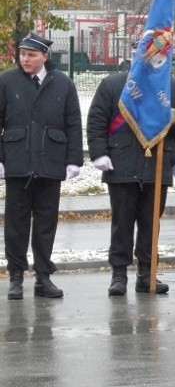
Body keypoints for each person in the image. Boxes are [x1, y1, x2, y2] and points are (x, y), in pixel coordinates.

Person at [87, 66, 175, 295]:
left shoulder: (174, 87)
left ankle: (147, 274)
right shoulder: (113, 84)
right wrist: (99, 153)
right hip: (122, 162)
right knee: (122, 224)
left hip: (157, 164)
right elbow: (97, 118)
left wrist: (171, 116)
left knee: (151, 224)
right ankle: (119, 274)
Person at [1, 33, 83, 300]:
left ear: (44, 56)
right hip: (18, 162)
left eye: (31, 54)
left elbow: (72, 123)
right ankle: (16, 276)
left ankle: (43, 277)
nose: (25, 58)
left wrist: (73, 160)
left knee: (46, 222)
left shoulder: (63, 84)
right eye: (23, 53)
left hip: (50, 162)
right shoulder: (6, 80)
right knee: (16, 223)